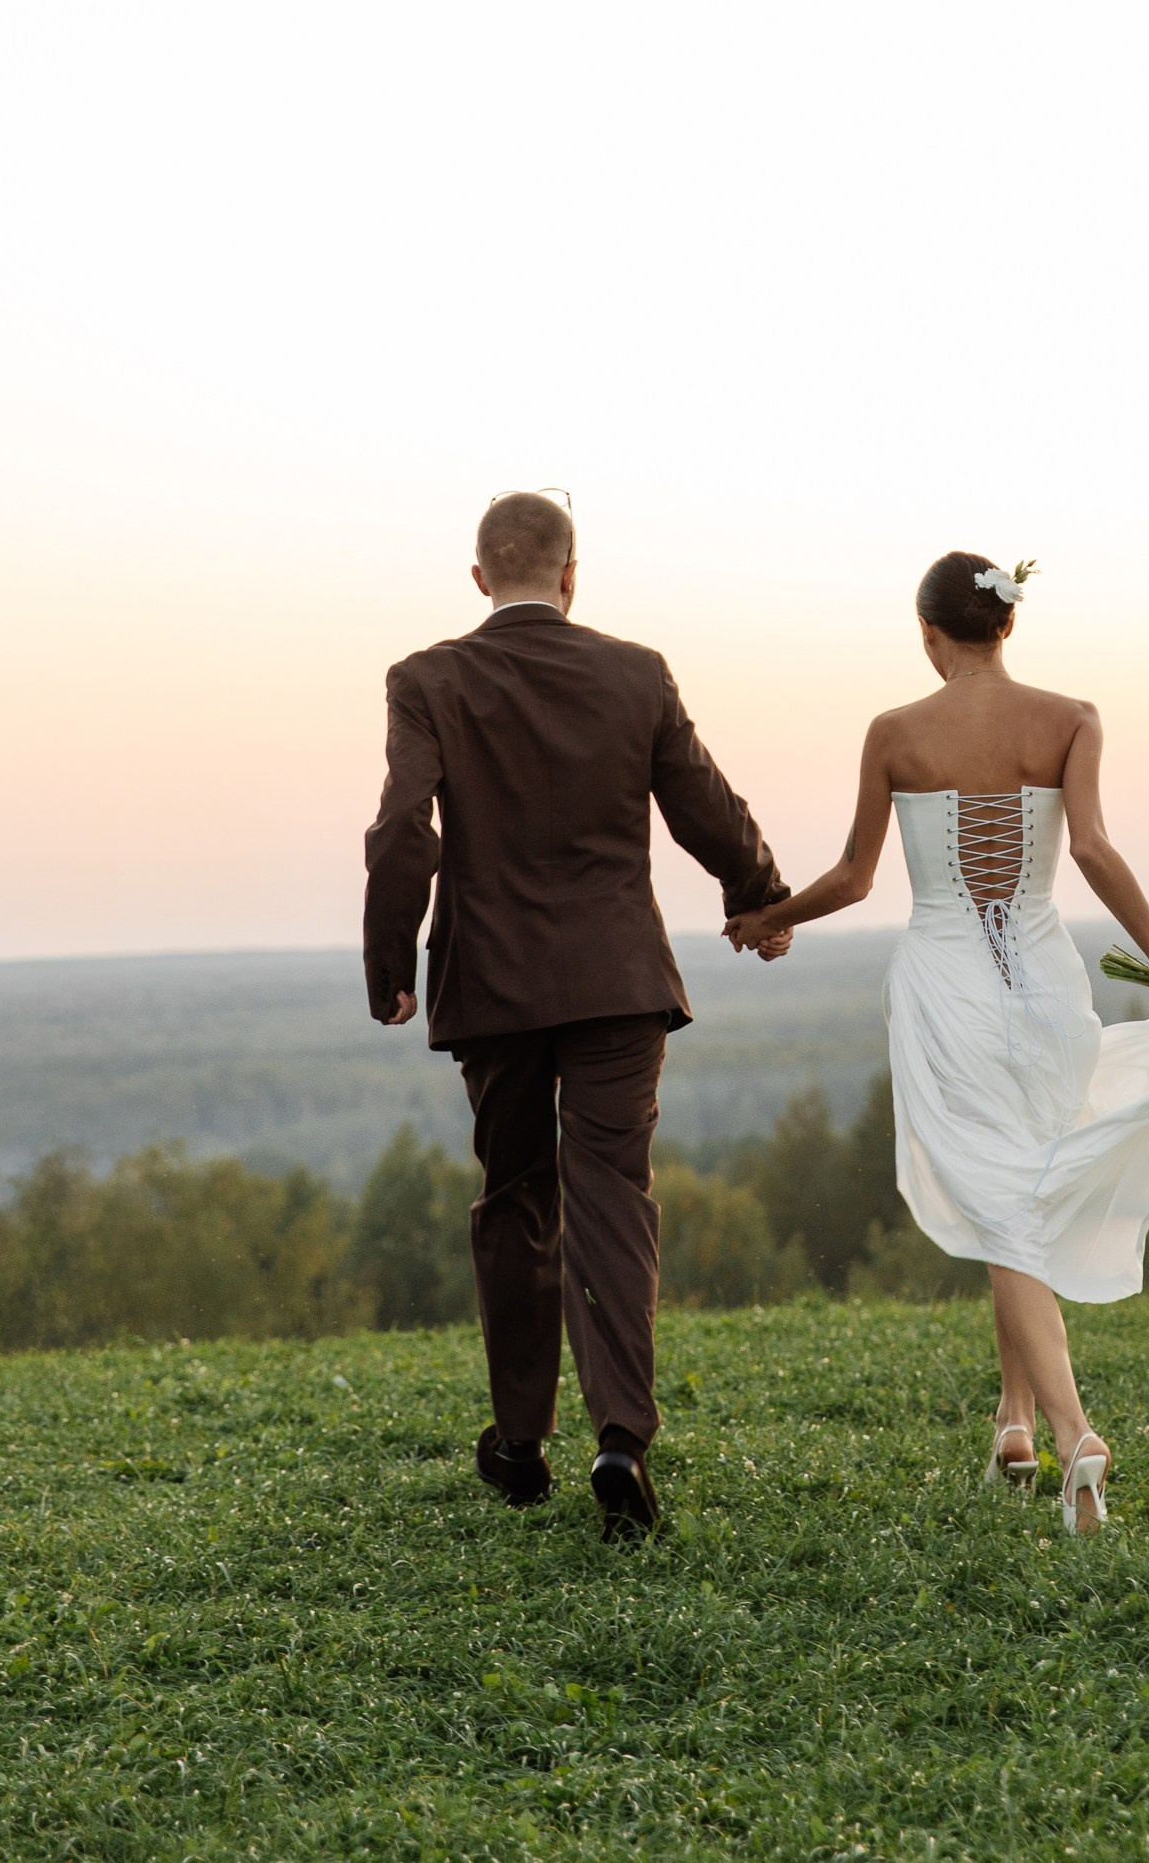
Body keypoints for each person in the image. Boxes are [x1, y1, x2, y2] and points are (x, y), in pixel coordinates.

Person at [724, 549, 1149, 1534]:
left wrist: (767, 916)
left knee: (1002, 1202)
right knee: (1014, 1189)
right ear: (1009, 626)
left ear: (928, 636)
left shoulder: (894, 733)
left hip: (946, 985)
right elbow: (1089, 849)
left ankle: (1074, 1433)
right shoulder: (1070, 719)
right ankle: (1014, 1420)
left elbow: (857, 877)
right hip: (1040, 981)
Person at [364, 491, 793, 1538]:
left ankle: (518, 1443)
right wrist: (757, 896)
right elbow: (700, 797)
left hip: (493, 986)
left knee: (516, 1197)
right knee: (612, 1196)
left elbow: (401, 833)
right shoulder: (634, 671)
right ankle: (619, 1440)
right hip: (615, 983)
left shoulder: (427, 679)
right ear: (570, 574)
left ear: (479, 578)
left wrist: (389, 961)